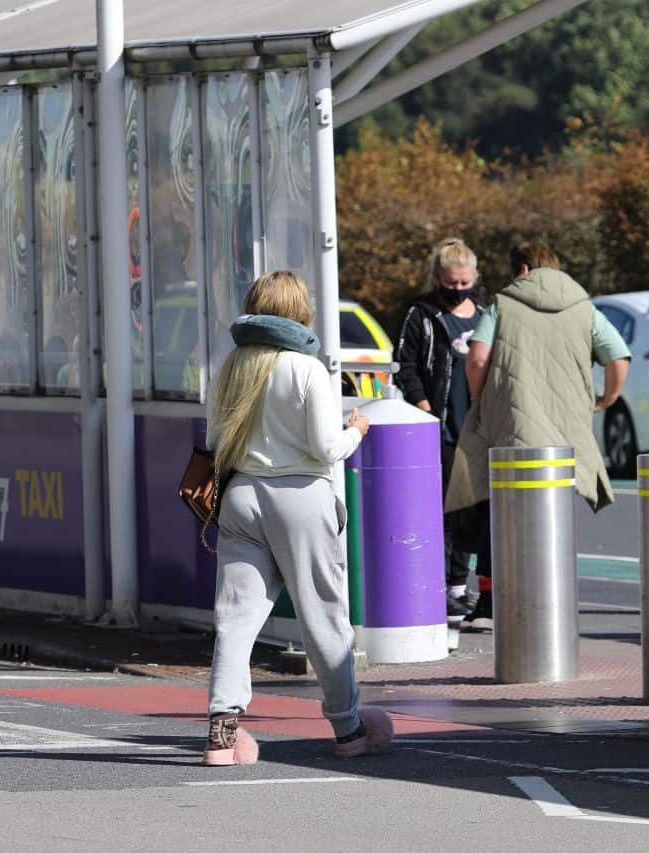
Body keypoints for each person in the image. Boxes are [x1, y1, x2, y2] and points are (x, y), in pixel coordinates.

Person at [203, 270, 392, 766]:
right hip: (301, 497)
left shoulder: (230, 366)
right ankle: (349, 728)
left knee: (236, 620)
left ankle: (222, 733)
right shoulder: (305, 368)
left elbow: (214, 441)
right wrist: (357, 430)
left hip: (241, 496)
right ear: (299, 310)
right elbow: (326, 448)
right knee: (323, 617)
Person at [446, 243, 631, 630]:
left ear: (525, 268)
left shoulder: (503, 304)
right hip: (567, 433)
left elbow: (477, 358)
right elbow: (617, 358)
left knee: (495, 511)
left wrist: (482, 396)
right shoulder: (585, 308)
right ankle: (548, 601)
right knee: (553, 511)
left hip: (510, 425)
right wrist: (606, 399)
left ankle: (492, 603)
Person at [394, 238, 488, 620]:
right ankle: (443, 587)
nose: (458, 291)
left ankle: (460, 586)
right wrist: (426, 412)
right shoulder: (421, 314)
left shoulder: (485, 315)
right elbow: (407, 367)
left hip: (477, 429)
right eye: (451, 284)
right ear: (437, 278)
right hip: (439, 427)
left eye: (465, 284)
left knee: (474, 512)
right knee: (444, 511)